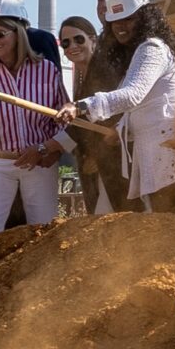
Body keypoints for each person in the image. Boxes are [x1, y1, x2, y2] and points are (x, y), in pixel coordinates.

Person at [59, 0, 175, 214]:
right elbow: (142, 104)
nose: (120, 27)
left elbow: (133, 95)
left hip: (168, 154)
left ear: (145, 17)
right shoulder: (139, 51)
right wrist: (121, 129)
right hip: (156, 154)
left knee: (171, 225)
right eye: (115, 21)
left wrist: (81, 106)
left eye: (128, 19)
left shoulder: (152, 49)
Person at [0, 0, 67, 249]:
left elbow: (62, 118)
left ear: (19, 33)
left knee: (44, 231)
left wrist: (52, 148)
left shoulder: (47, 70)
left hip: (39, 160)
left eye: (0, 34)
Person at [57, 13, 126, 215]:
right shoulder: (81, 74)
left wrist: (99, 153)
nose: (72, 47)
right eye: (66, 43)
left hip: (115, 163)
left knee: (112, 221)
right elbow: (80, 124)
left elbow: (117, 115)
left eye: (79, 39)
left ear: (93, 39)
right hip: (97, 165)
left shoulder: (105, 70)